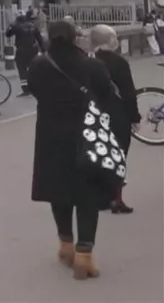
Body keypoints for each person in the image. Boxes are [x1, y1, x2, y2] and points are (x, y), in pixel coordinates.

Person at [28, 20, 118, 280]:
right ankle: (84, 255)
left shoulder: (39, 65)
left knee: (59, 191)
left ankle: (65, 245)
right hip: (86, 134)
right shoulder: (92, 65)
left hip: (50, 136)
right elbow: (105, 92)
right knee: (86, 193)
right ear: (74, 37)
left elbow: (34, 90)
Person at [88, 25, 140, 214]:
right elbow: (127, 91)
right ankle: (116, 198)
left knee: (96, 153)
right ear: (111, 39)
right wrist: (135, 117)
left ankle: (97, 196)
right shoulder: (118, 62)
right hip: (116, 113)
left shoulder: (88, 61)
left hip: (93, 114)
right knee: (118, 155)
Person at [6, 10, 44, 97]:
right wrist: (43, 50)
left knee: (22, 70)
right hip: (33, 50)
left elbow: (8, 34)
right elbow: (40, 39)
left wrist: (10, 26)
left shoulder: (16, 26)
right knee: (33, 69)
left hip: (21, 51)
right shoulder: (33, 25)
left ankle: (26, 90)